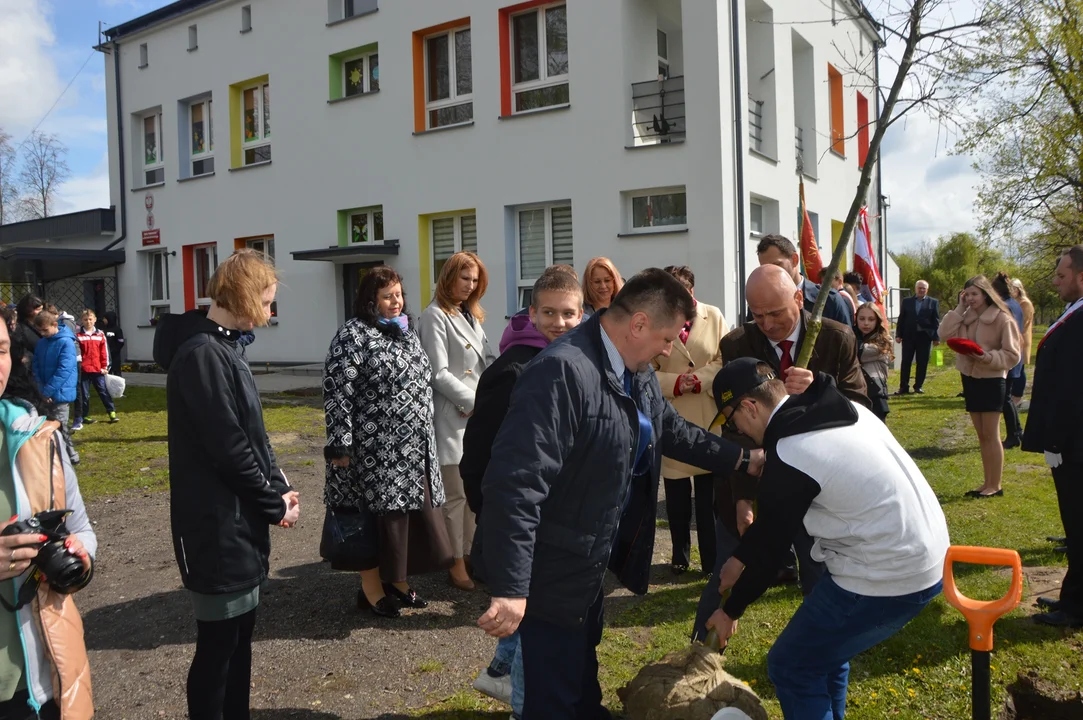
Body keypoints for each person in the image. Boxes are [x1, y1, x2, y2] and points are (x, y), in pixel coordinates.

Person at [477, 269, 763, 719]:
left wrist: (743, 460)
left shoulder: (635, 367)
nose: (670, 350)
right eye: (668, 338)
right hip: (552, 566)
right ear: (638, 325)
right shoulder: (561, 373)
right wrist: (512, 587)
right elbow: (516, 483)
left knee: (581, 664)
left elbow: (669, 428)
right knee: (553, 692)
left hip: (590, 554)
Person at [704, 358, 949, 720]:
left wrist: (729, 612)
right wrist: (739, 560)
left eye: (732, 419)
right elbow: (773, 525)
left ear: (749, 407)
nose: (737, 429)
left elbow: (771, 553)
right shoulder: (842, 409)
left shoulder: (791, 452)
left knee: (792, 665)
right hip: (926, 555)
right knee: (824, 655)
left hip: (886, 575)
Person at [153, 249, 301, 719]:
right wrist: (273, 504)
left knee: (239, 643)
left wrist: (277, 486)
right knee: (219, 648)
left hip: (238, 523)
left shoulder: (223, 349)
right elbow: (227, 447)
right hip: (218, 528)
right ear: (243, 296)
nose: (270, 312)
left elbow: (251, 436)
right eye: (267, 301)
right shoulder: (202, 355)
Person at [691, 264, 870, 642]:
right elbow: (734, 426)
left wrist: (824, 391)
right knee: (728, 568)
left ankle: (823, 648)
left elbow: (861, 408)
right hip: (751, 480)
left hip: (817, 490)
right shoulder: (738, 344)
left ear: (798, 297)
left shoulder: (836, 338)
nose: (767, 323)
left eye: (775, 313)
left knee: (820, 575)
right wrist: (743, 496)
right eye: (757, 315)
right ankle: (699, 654)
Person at [461, 267, 585, 720]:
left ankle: (500, 670)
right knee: (534, 632)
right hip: (522, 523)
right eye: (548, 313)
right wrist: (494, 513)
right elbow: (477, 456)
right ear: (531, 313)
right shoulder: (512, 370)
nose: (559, 322)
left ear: (582, 313)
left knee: (538, 625)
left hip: (559, 524)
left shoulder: (577, 360)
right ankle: (520, 704)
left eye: (568, 313)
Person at [323, 266, 453, 619]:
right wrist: (340, 444)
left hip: (412, 451)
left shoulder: (406, 332)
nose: (396, 302)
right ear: (370, 300)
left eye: (398, 294)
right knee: (374, 522)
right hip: (373, 452)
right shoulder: (354, 334)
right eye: (387, 296)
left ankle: (396, 580)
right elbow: (338, 391)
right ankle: (371, 589)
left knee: (407, 520)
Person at [0, 321, 97, 720]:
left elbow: (83, 531)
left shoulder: (37, 436)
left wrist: (78, 555)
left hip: (43, 682)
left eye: (1, 349)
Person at [419, 251, 496, 591]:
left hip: (476, 417)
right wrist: (476, 402)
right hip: (453, 417)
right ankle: (455, 563)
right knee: (455, 496)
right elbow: (437, 373)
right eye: (465, 278)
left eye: (475, 279)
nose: (470, 285)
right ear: (448, 277)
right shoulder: (434, 316)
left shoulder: (472, 316)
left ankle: (470, 555)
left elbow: (488, 360)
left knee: (473, 492)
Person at [651, 265, 728, 575]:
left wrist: (698, 380)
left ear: (692, 290)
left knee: (710, 500)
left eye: (683, 289)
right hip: (673, 415)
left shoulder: (714, 315)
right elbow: (644, 369)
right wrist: (675, 383)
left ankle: (711, 560)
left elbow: (724, 359)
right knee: (678, 500)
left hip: (708, 414)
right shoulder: (656, 320)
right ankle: (680, 557)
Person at [1024, 246, 1083, 628]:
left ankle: (1077, 608)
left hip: (1076, 443)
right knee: (1074, 524)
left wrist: (1057, 442)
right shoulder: (1074, 312)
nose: (1056, 282)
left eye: (1062, 276)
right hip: (1071, 440)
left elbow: (1072, 387)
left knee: (1079, 522)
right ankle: (1072, 596)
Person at [939, 275, 1021, 498]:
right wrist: (959, 307)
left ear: (986, 294)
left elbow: (1013, 355)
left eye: (975, 293)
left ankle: (995, 485)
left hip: (992, 380)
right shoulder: (964, 316)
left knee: (991, 434)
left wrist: (985, 357)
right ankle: (986, 483)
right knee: (981, 435)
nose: (971, 298)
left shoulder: (1003, 318)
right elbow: (943, 334)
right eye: (967, 294)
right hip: (970, 378)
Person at [755, 235, 852, 327]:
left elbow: (847, 341)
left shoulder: (829, 300)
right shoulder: (759, 302)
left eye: (777, 265)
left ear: (794, 260)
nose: (771, 272)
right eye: (766, 268)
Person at [29, 311, 80, 464]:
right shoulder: (42, 343)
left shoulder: (66, 342)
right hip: (45, 391)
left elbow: (64, 370)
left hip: (60, 392)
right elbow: (36, 366)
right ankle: (55, 456)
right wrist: (40, 387)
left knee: (61, 426)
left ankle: (71, 456)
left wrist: (47, 391)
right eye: (40, 331)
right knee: (47, 426)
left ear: (55, 325)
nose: (42, 333)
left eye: (45, 330)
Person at [992, 272, 1026, 449]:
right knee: (1008, 398)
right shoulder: (1015, 304)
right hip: (1015, 354)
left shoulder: (1005, 306)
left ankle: (1014, 435)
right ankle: (1017, 431)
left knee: (1005, 398)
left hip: (1009, 356)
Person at [894, 280, 941, 395]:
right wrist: (898, 334)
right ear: (915, 289)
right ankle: (903, 387)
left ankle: (918, 386)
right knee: (906, 362)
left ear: (927, 290)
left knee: (922, 362)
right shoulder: (906, 302)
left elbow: (935, 321)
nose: (921, 290)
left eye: (923, 288)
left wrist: (936, 337)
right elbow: (901, 319)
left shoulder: (933, 302)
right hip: (908, 336)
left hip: (925, 337)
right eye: (919, 288)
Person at [73, 310, 117, 428]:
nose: (88, 322)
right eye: (85, 319)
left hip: (98, 369)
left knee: (103, 391)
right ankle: (85, 415)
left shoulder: (100, 334)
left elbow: (105, 352)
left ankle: (111, 412)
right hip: (84, 370)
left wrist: (105, 367)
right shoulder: (78, 335)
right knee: (84, 394)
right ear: (82, 320)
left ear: (95, 319)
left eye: (90, 319)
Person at [855, 302, 893, 423]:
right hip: (856, 391)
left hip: (875, 391)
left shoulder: (884, 341)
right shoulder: (852, 336)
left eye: (871, 319)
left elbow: (859, 353)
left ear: (877, 320)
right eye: (862, 319)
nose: (866, 323)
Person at [1010, 278, 1035, 405]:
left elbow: (1024, 322)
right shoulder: (1012, 302)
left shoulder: (1025, 303)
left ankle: (1017, 396)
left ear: (1018, 289)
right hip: (1013, 337)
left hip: (1022, 338)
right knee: (1014, 366)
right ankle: (1012, 394)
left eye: (1012, 289)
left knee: (1020, 368)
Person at [11, 297, 43, 366]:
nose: (41, 312)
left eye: (42, 309)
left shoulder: (40, 324)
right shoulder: (20, 329)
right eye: (38, 309)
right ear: (28, 311)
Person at [98, 312, 125, 377]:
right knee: (107, 372)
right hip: (105, 355)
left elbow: (121, 342)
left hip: (114, 356)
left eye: (105, 318)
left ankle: (117, 386)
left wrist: (114, 350)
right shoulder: (103, 330)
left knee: (116, 373)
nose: (104, 320)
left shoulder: (117, 330)